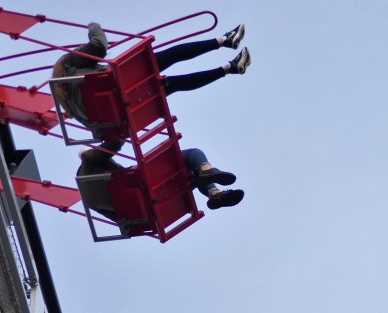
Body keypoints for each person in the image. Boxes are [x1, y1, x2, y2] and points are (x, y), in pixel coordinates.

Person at [51, 22, 251, 125]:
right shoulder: (68, 64)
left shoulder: (74, 111)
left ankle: (229, 68)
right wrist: (94, 26)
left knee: (174, 84)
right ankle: (223, 40)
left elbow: (105, 135)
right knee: (172, 55)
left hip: (131, 109)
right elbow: (98, 46)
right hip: (121, 81)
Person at [77, 140, 244, 222]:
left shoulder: (89, 202)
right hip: (141, 179)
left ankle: (215, 193)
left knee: (191, 176)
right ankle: (208, 172)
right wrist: (116, 138)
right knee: (193, 154)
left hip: (149, 206)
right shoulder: (88, 160)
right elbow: (108, 149)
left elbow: (120, 220)